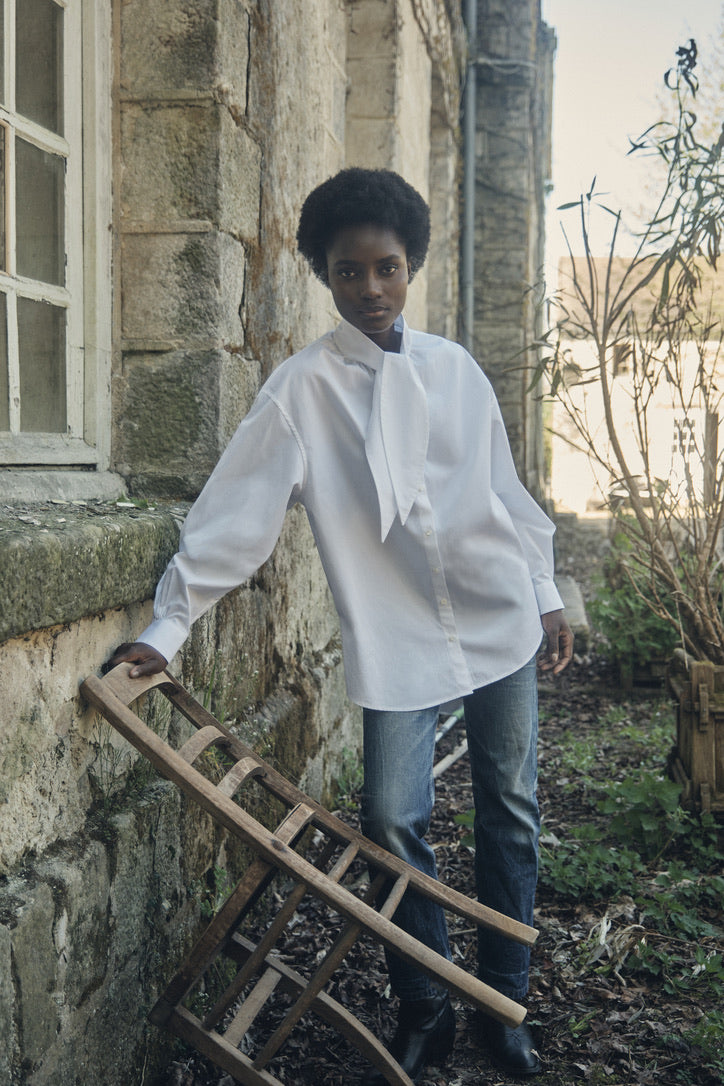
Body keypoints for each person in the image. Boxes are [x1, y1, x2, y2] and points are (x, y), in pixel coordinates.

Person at [107, 167, 573, 1082]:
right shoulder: (302, 390)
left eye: (388, 269)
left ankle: (502, 1003)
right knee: (393, 817)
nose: (371, 289)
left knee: (508, 809)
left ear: (412, 268)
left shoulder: (456, 371)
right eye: (349, 271)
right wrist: (167, 627)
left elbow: (506, 493)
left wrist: (549, 590)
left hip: (499, 614)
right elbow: (234, 517)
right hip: (394, 632)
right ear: (325, 274)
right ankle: (426, 1004)